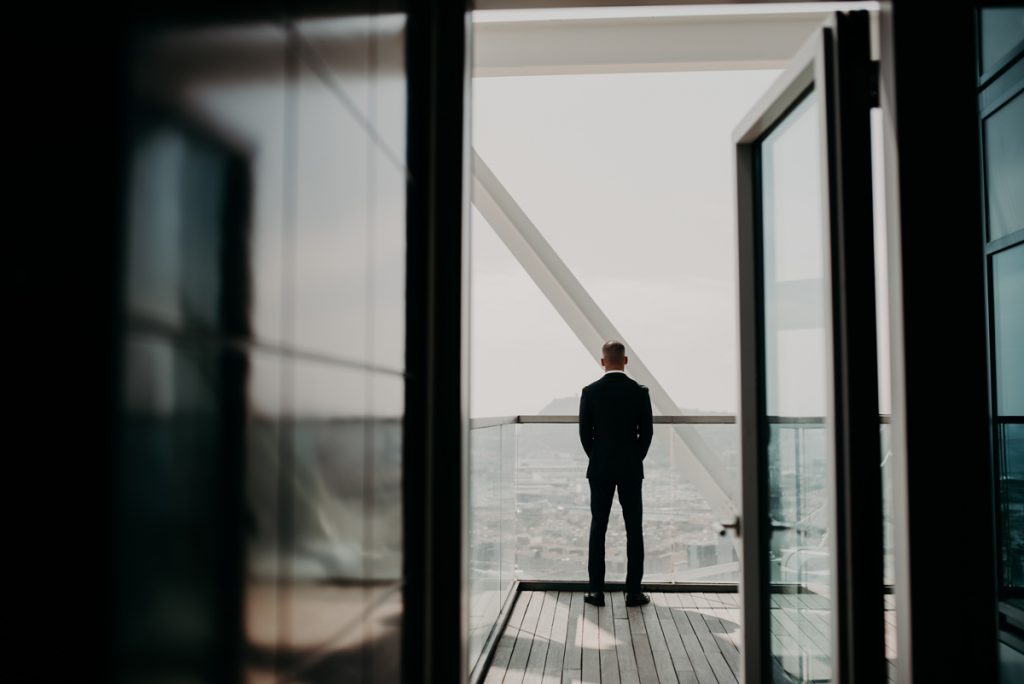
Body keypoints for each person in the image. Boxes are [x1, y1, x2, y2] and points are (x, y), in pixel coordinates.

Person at [578, 340, 654, 608]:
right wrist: (634, 457)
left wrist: (598, 457)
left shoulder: (590, 392)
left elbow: (585, 434)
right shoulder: (639, 392)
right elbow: (646, 433)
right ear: (625, 361)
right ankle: (633, 592)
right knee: (634, 528)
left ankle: (596, 591)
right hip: (631, 468)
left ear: (602, 362)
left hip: (600, 467)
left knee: (599, 526)